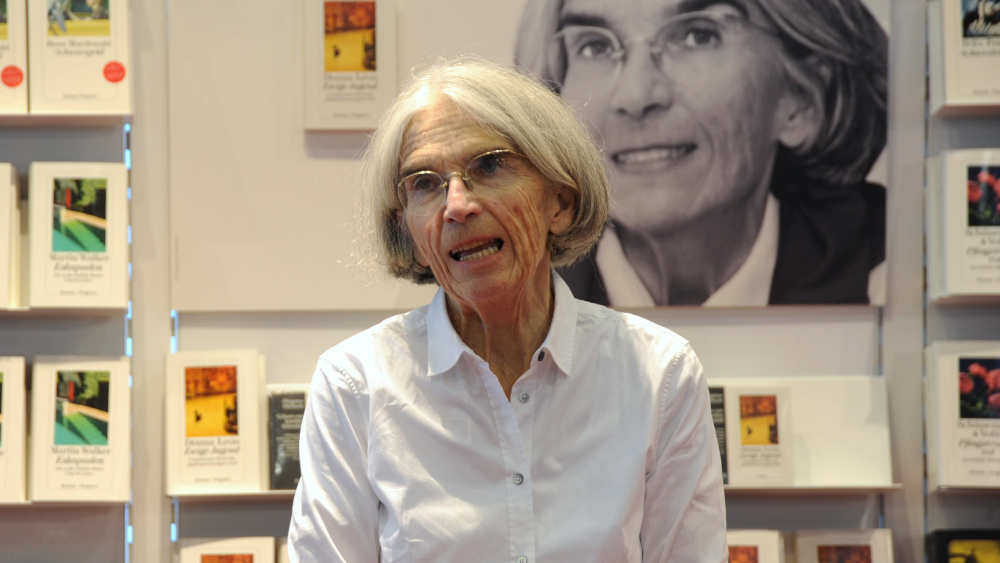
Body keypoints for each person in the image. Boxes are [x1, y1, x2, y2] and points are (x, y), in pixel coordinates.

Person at [287, 57, 726, 562]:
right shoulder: (356, 385)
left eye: (489, 165)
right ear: (407, 224)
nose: (456, 205)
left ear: (558, 202)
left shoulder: (658, 373)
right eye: (425, 183)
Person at [515, 0, 888, 306]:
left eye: (698, 36)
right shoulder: (513, 284)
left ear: (801, 99)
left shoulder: (894, 263)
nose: (636, 96)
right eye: (594, 46)